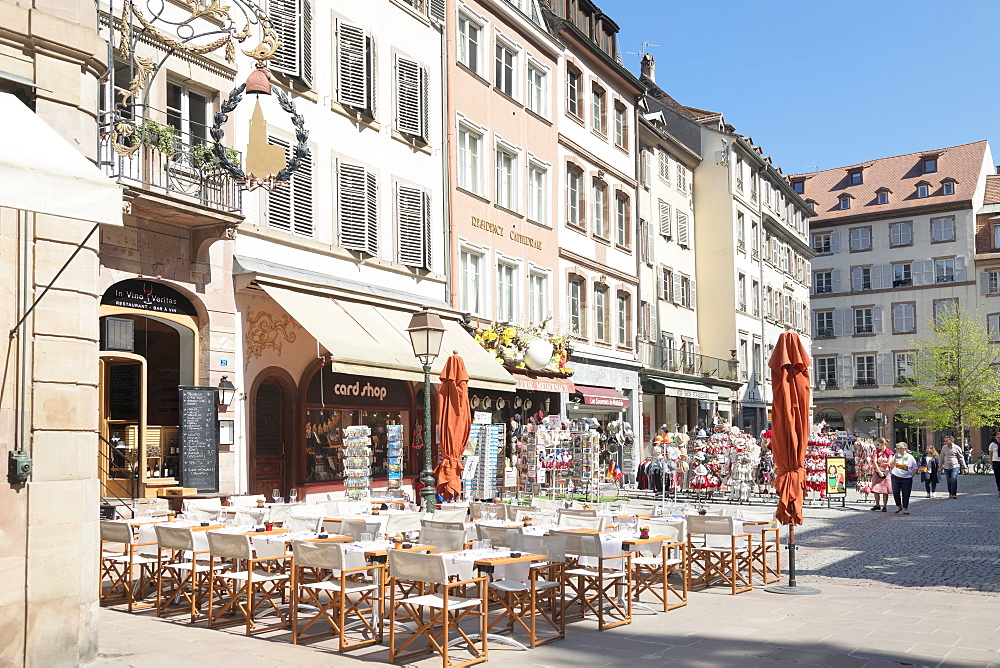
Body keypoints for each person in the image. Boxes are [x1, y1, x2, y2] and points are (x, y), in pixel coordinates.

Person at [890, 442, 919, 514]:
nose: (899, 450)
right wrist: (894, 459)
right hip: (896, 476)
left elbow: (915, 468)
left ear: (905, 449)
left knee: (906, 493)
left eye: (900, 449)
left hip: (906, 478)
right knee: (896, 492)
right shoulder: (896, 456)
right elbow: (891, 465)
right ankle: (898, 506)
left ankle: (905, 508)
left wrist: (911, 475)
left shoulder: (910, 457)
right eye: (897, 449)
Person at [870, 438, 894, 512]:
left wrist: (882, 464)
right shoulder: (876, 451)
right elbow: (874, 462)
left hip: (886, 472)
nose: (877, 446)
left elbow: (889, 463)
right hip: (877, 472)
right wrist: (879, 470)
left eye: (878, 444)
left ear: (883, 444)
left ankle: (884, 506)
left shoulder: (889, 452)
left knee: (885, 490)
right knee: (875, 489)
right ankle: (877, 505)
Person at [989, 433, 1000, 497]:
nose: (999, 439)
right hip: (996, 461)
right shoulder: (992, 444)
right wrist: (991, 462)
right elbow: (990, 454)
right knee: (998, 477)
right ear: (995, 437)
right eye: (998, 437)